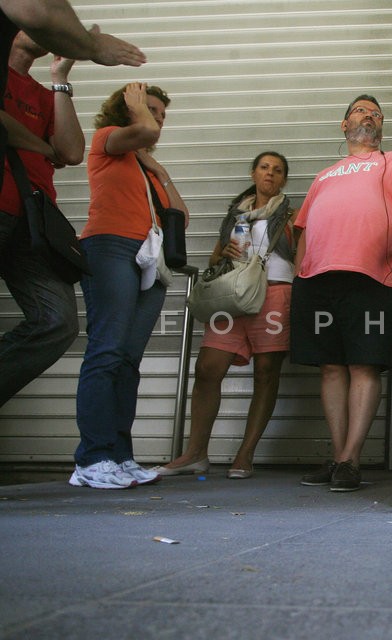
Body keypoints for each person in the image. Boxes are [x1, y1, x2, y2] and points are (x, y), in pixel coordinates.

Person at [292, 94, 392, 492]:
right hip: (316, 280)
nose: (368, 116)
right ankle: (340, 458)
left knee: (363, 365)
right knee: (331, 366)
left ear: (381, 127)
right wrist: (299, 279)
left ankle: (351, 457)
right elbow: (303, 230)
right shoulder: (324, 175)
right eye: (360, 111)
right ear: (344, 125)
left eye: (376, 113)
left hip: (372, 277)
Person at [69, 82, 188, 489]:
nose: (157, 118)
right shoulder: (107, 141)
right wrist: (137, 107)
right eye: (150, 108)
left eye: (162, 113)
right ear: (128, 108)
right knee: (106, 351)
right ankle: (91, 458)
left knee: (127, 361)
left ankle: (119, 456)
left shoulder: (144, 167)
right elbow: (145, 133)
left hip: (146, 259)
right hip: (110, 248)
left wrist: (161, 172)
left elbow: (179, 217)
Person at [153, 152, 297, 480]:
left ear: (283, 180)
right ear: (253, 172)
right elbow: (216, 256)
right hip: (232, 296)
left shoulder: (291, 214)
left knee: (265, 372)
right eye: (264, 167)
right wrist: (225, 251)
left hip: (274, 293)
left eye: (277, 170)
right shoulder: (237, 213)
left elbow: (301, 254)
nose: (270, 174)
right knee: (207, 368)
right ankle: (195, 454)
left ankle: (245, 454)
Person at [0, 30, 84, 407]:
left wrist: (60, 81)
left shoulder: (43, 94)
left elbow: (70, 151)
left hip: (32, 221)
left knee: (58, 322)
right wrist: (39, 145)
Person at [0, 0, 145, 149]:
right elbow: (35, 10)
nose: (50, 29)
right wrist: (94, 46)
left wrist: (60, 77)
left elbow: (72, 153)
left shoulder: (44, 96)